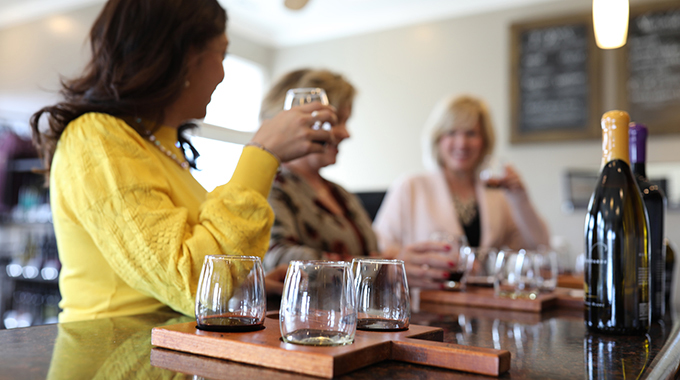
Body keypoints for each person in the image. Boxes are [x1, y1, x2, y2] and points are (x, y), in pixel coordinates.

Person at [29, 0, 337, 323]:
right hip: (111, 357)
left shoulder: (161, 145)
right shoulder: (94, 137)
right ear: (182, 56)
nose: (222, 73)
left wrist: (244, 285)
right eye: (222, 53)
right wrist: (262, 152)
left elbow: (175, 272)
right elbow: (191, 285)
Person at [373, 95, 550, 288]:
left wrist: (519, 198)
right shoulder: (411, 186)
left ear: (484, 141)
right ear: (438, 139)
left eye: (471, 133)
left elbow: (539, 249)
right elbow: (378, 251)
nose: (462, 143)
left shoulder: (497, 195)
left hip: (479, 308)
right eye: (451, 133)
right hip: (423, 305)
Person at [259, 69, 378, 273]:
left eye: (345, 121)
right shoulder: (269, 186)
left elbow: (374, 254)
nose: (346, 133)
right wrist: (380, 268)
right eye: (334, 121)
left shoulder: (340, 193)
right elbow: (278, 258)